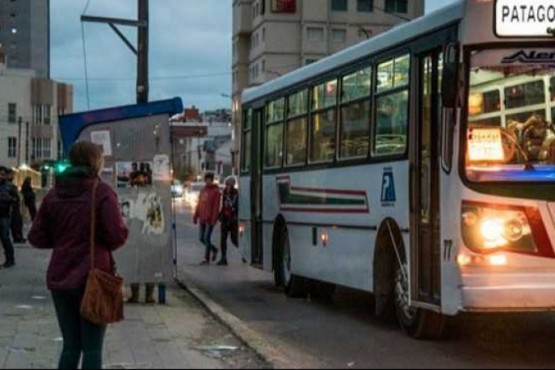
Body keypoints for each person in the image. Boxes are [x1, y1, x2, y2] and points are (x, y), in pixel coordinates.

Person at [28, 141, 129, 370]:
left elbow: (36, 237)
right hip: (93, 278)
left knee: (71, 345)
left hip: (60, 277)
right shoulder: (102, 192)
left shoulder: (54, 194)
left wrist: (64, 239)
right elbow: (116, 236)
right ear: (96, 162)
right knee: (92, 348)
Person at [194, 173, 221, 265]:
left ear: (212, 180)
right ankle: (214, 249)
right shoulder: (203, 191)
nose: (208, 181)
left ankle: (207, 259)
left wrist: (214, 218)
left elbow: (216, 207)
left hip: (210, 219)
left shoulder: (216, 192)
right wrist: (196, 215)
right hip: (202, 218)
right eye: (206, 180)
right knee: (201, 238)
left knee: (206, 238)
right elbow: (199, 204)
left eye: (209, 180)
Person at [218, 177, 239, 266]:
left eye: (229, 184)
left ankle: (244, 252)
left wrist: (235, 217)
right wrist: (220, 215)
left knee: (234, 239)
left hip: (233, 219)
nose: (227, 186)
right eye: (226, 184)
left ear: (232, 185)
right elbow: (223, 205)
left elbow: (237, 207)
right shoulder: (225, 193)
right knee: (223, 239)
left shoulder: (236, 194)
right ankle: (223, 258)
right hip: (225, 218)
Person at [0, 166, 16, 268]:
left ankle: (10, 259)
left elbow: (16, 200)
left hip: (4, 215)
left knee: (5, 237)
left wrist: (7, 198)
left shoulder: (10, 186)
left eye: (2, 174)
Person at [6, 169, 25, 243]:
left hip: (15, 206)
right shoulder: (8, 186)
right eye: (11, 175)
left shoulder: (11, 185)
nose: (12, 176)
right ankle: (17, 237)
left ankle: (19, 236)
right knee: (15, 223)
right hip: (11, 207)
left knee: (18, 222)